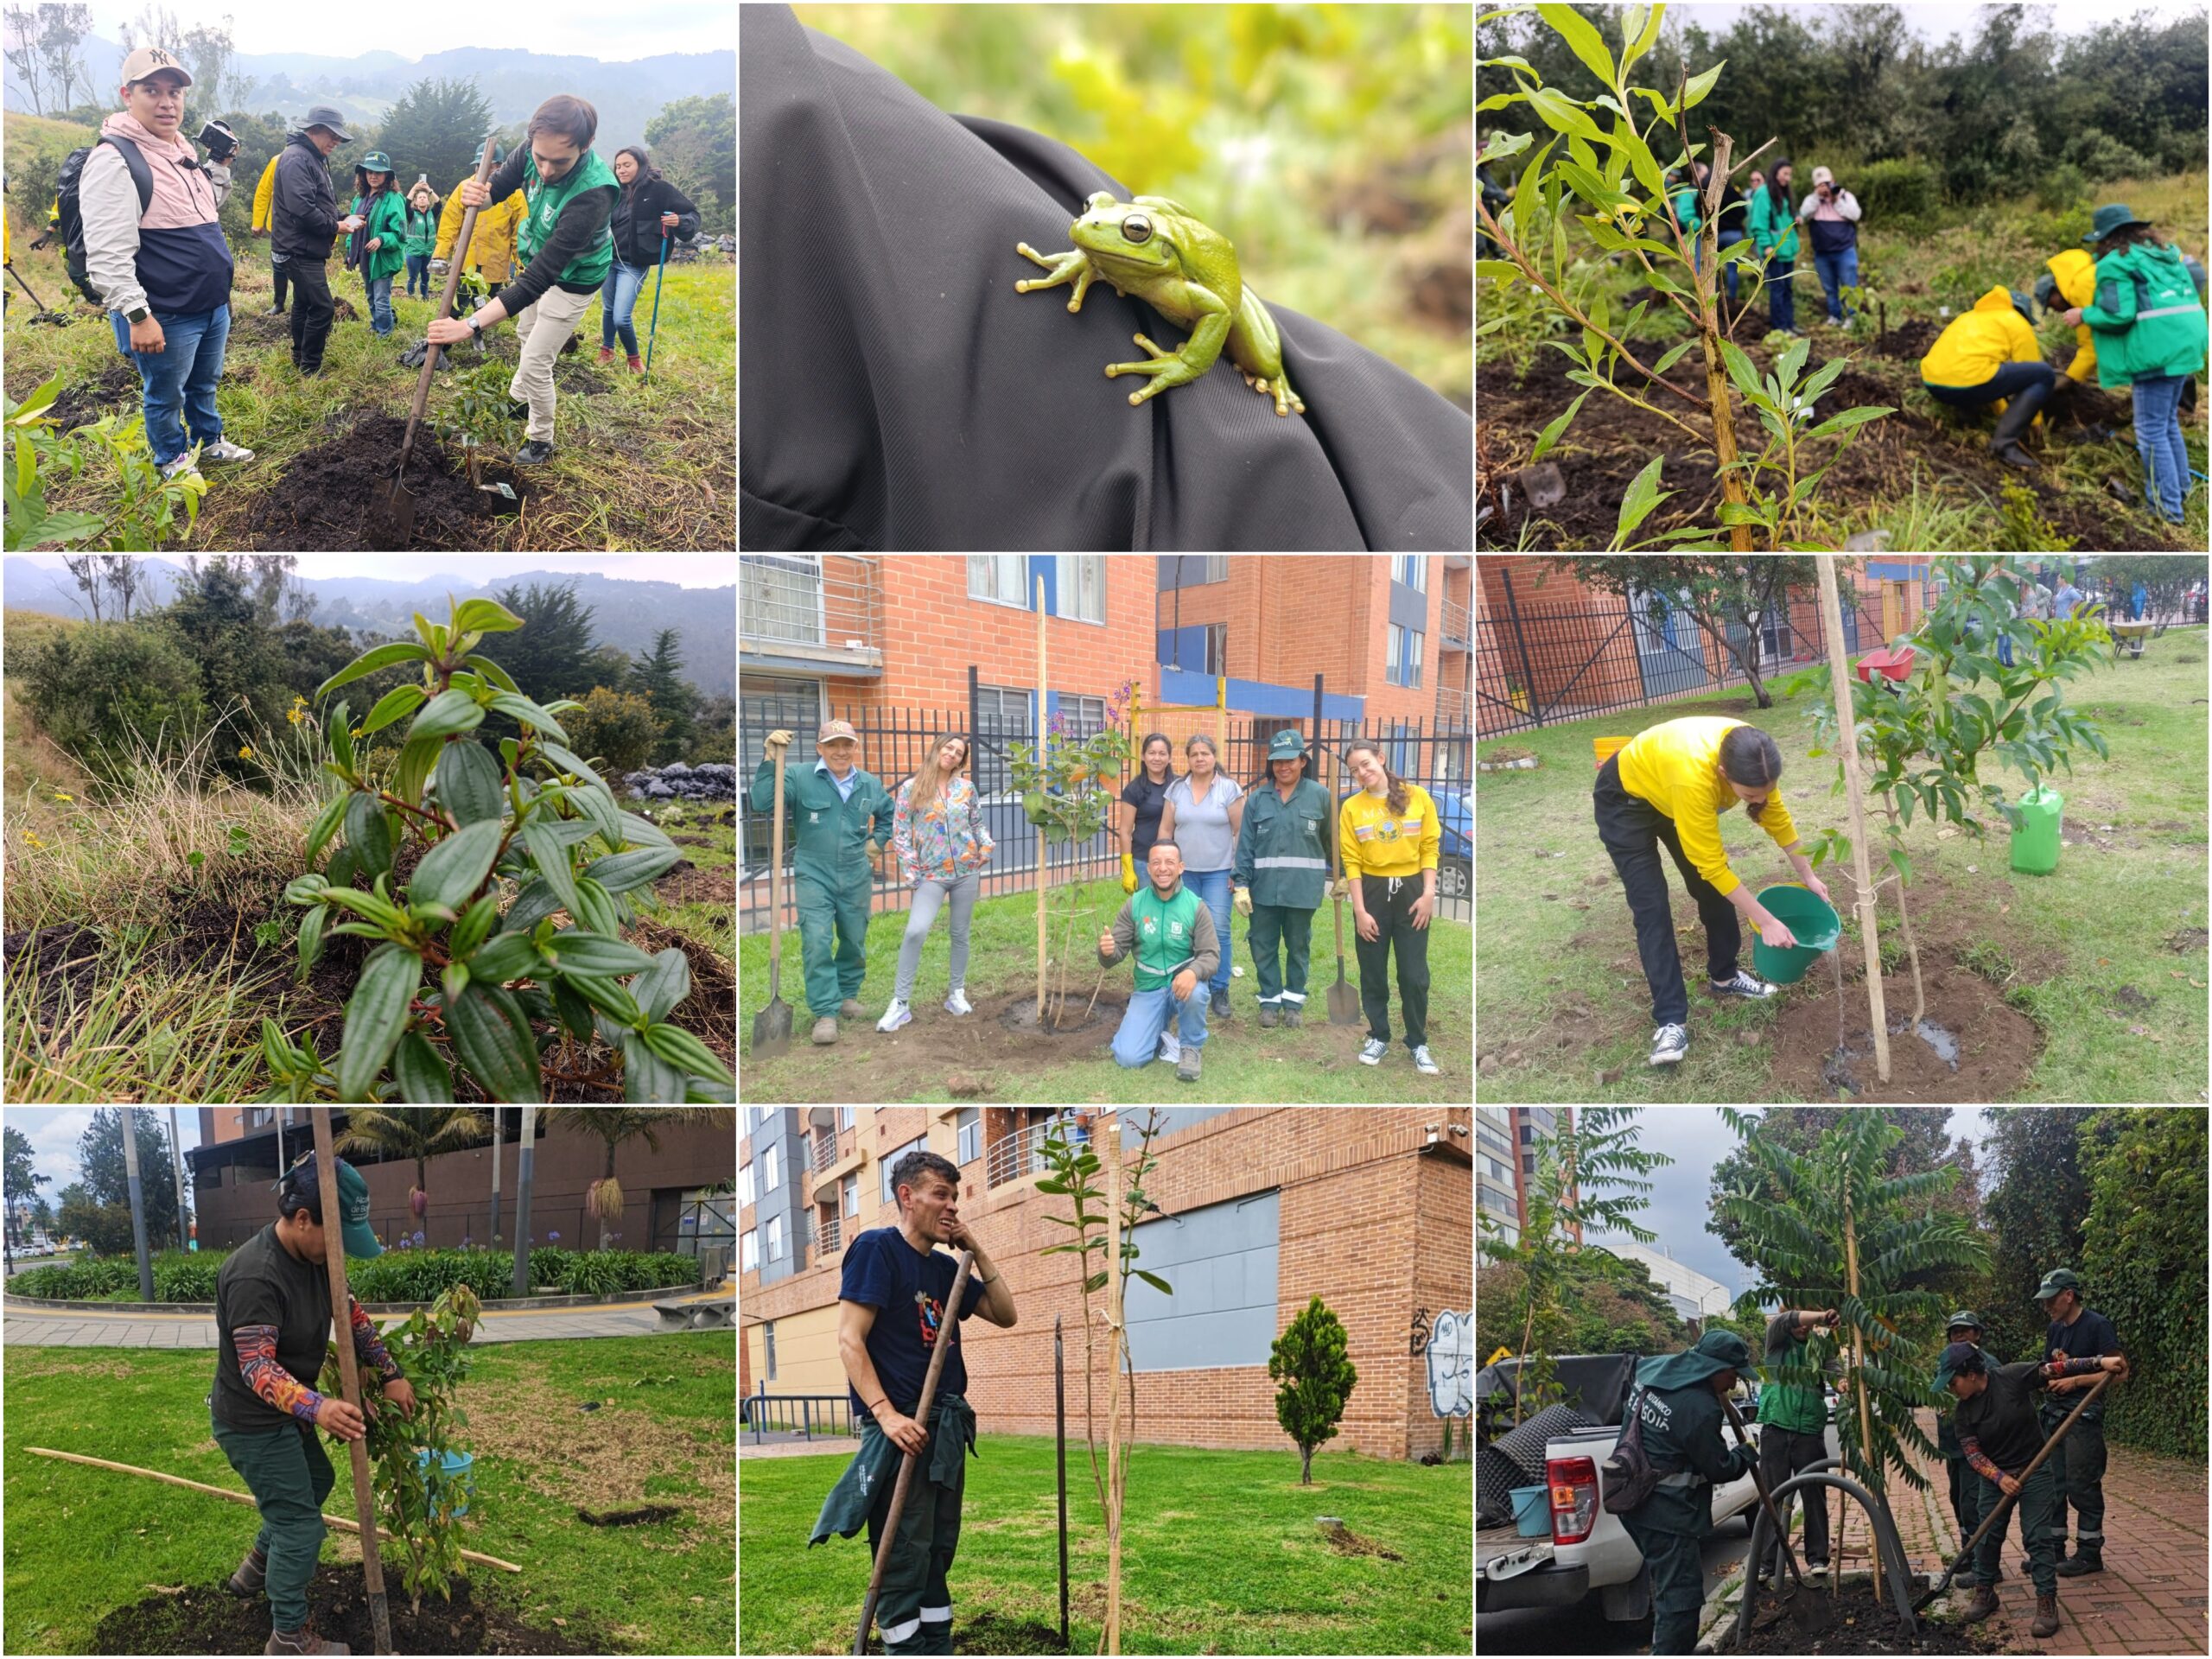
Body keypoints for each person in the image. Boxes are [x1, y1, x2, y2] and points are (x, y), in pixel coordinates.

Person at [813, 1148, 1014, 1656]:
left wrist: (977, 1249)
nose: (951, 1206)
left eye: (955, 1196)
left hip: (944, 1424)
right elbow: (849, 1341)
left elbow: (1006, 1314)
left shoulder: (948, 1270)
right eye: (940, 1195)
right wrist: (885, 1414)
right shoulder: (877, 1250)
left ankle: (937, 1644)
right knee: (903, 1551)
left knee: (938, 1547)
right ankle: (905, 1648)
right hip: (900, 1426)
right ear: (907, 1196)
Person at [213, 1153, 413, 1658]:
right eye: (339, 1236)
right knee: (301, 1529)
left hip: (285, 1415)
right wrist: (319, 1408)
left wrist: (391, 1375)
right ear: (303, 1219)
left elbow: (352, 1318)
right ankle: (288, 1638)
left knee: (315, 1485)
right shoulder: (255, 1276)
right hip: (252, 1422)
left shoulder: (320, 1261)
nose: (342, 1252)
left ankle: (258, 1565)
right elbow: (257, 1368)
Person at [1595, 717, 1827, 1068]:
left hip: (1669, 791)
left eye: (1765, 792)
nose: (1758, 800)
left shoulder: (1754, 755)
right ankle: (1670, 1021)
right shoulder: (1694, 778)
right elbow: (1712, 864)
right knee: (1652, 906)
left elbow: (1776, 817)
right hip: (1625, 799)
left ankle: (1726, 975)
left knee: (1713, 891)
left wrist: (1807, 874)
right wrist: (1766, 921)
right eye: (1750, 796)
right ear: (1722, 773)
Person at [78, 46, 252, 483]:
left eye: (174, 92)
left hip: (211, 304)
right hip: (166, 311)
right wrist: (138, 315)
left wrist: (220, 166)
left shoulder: (178, 149)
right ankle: (172, 459)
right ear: (127, 94)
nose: (166, 101)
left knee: (204, 383)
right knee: (165, 393)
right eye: (152, 90)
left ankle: (209, 441)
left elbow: (202, 207)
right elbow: (106, 254)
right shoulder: (115, 158)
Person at [425, 95, 620, 466]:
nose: (545, 170)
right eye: (540, 157)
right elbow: (496, 190)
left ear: (587, 145)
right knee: (524, 334)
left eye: (559, 161)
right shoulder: (530, 150)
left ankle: (541, 440)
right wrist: (477, 197)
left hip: (574, 279)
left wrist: (468, 325)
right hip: (534, 261)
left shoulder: (595, 192)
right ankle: (518, 400)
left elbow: (539, 281)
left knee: (535, 361)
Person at [1936, 1339, 2130, 1637]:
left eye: (1953, 1382)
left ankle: (2046, 1601)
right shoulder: (1963, 1412)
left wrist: (2100, 1362)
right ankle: (1985, 1591)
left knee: (2038, 1538)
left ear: (1971, 1373)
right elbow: (1973, 1454)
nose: (1951, 1389)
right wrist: (1999, 1478)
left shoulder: (2011, 1377)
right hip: (1996, 1477)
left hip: (2035, 1468)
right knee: (1986, 1537)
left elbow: (2058, 1368)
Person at [750, 720, 897, 1045]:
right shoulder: (799, 777)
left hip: (856, 871)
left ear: (855, 748)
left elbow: (890, 813)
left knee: (854, 937)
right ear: (820, 749)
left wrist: (877, 842)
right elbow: (762, 802)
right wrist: (769, 759)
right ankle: (826, 1011)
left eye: (847, 745)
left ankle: (846, 994)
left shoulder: (869, 784)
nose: (841, 752)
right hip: (814, 871)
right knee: (816, 938)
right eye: (833, 745)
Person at [1616, 1330, 1759, 1656]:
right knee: (1681, 1597)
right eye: (1734, 1373)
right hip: (1664, 1513)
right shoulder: (1700, 1408)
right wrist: (1746, 1453)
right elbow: (1720, 1468)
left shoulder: (1654, 1370)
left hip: (1630, 1496)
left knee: (1668, 1588)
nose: (1735, 1383)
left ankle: (1675, 1648)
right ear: (1715, 1367)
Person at [2064, 204, 2209, 524]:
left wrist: (2082, 314)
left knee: (2150, 430)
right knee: (2166, 422)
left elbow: (2119, 314)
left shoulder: (2116, 263)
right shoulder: (2163, 252)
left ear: (2105, 239)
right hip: (2186, 342)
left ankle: (2166, 509)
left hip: (2157, 350)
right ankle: (2179, 490)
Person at [878, 734, 994, 1033]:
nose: (953, 754)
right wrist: (911, 870)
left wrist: (986, 845)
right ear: (937, 749)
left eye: (959, 752)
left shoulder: (966, 789)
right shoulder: (911, 788)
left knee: (960, 933)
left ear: (961, 760)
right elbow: (900, 832)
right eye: (949, 748)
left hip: (967, 871)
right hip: (930, 874)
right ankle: (900, 1004)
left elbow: (977, 824)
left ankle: (956, 993)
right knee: (916, 931)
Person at [1340, 740, 1440, 1075]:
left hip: (1412, 890)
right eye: (1354, 769)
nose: (1362, 773)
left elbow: (1429, 847)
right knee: (1373, 969)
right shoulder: (1351, 807)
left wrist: (1428, 894)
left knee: (1414, 974)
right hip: (1371, 892)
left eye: (1366, 764)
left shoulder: (1418, 797)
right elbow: (1351, 860)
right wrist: (1359, 909)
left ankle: (1417, 1041)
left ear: (1381, 759)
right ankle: (1379, 1034)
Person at [1231, 730, 1335, 1029]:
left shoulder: (1320, 796)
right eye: (1277, 762)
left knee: (1298, 945)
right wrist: (1241, 885)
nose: (1283, 767)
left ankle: (1293, 1003)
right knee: (1262, 945)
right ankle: (1269, 1000)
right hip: (1263, 890)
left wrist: (1341, 876)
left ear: (1303, 760)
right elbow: (1245, 846)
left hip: (1303, 890)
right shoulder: (1257, 800)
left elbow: (1332, 844)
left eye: (1289, 760)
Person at [1096, 839, 1219, 1082]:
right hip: (1148, 989)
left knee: (1196, 993)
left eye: (1169, 862)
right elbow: (1115, 953)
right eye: (1156, 863)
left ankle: (1190, 1048)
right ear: (1149, 869)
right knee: (1129, 1058)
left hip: (1182, 985)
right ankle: (1156, 1028)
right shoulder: (1135, 904)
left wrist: (1193, 972)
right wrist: (1107, 952)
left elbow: (1211, 955)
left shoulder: (1196, 907)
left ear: (1181, 867)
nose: (1163, 868)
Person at [2033, 1268, 2125, 1580]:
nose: (2047, 1307)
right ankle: (2054, 1548)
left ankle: (2089, 1553)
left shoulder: (2097, 1326)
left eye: (2051, 1300)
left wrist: (2077, 1382)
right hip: (2054, 1414)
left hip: (2083, 1416)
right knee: (2053, 1484)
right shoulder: (2054, 1329)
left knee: (2081, 1484)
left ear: (2068, 1296)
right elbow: (2049, 1367)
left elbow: (2120, 1371)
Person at [1156, 734, 1244, 1020]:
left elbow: (1240, 831)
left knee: (1218, 929)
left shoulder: (1229, 789)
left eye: (1205, 753)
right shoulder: (1176, 790)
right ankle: (1187, 984)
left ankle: (1219, 990)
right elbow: (1166, 832)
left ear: (1214, 756)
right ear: (1188, 759)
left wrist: (1236, 868)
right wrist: (1164, 866)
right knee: (1184, 930)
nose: (1200, 759)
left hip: (1219, 873)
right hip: (1185, 873)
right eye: (1194, 754)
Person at [1919, 287, 2054, 469]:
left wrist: (2003, 411)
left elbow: (1990, 374)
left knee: (1975, 370)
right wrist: (2035, 422)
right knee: (2044, 374)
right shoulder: (2016, 322)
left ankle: (1967, 419)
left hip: (1934, 383)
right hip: (1970, 381)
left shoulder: (1969, 317)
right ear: (2022, 313)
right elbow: (2030, 368)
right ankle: (2004, 445)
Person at [1753, 1306, 1838, 1589]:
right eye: (1798, 1319)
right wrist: (1821, 1315)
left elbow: (1833, 1367)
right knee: (1772, 1498)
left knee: (1814, 1494)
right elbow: (1786, 1320)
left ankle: (1818, 1558)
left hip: (1809, 1429)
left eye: (1808, 1322)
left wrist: (1844, 1382)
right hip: (1776, 1427)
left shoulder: (1820, 1340)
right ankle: (1767, 1562)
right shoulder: (1776, 1340)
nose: (1802, 1325)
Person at [271, 106, 359, 378]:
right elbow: (302, 209)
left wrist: (342, 216)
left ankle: (300, 357)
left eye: (339, 138)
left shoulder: (312, 157)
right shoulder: (297, 159)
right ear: (313, 130)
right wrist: (337, 226)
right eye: (332, 136)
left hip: (303, 247)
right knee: (322, 308)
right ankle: (310, 367)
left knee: (303, 303)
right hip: (298, 250)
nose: (335, 142)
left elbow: (318, 202)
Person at [602, 144, 697, 373]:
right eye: (618, 166)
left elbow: (692, 215)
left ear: (641, 165)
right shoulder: (615, 190)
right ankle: (607, 350)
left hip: (634, 265)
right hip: (606, 260)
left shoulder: (660, 190)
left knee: (621, 318)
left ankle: (634, 359)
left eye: (627, 165)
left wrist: (680, 222)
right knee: (608, 309)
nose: (621, 170)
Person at [1931, 1312, 2005, 1580]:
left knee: (1974, 1505)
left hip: (1976, 1449)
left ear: (1977, 1334)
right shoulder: (1945, 1362)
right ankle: (1968, 1553)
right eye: (1954, 1331)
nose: (1958, 1335)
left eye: (1964, 1330)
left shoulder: (1988, 1365)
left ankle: (1985, 1566)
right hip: (1954, 1448)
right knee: (1959, 1501)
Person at [345, 151, 406, 339]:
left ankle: (385, 333)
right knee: (371, 296)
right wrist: (350, 252)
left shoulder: (393, 199)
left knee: (381, 299)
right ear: (363, 174)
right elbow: (351, 227)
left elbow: (400, 234)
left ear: (387, 176)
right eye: (369, 171)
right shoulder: (359, 199)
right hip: (364, 256)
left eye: (378, 173)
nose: (373, 176)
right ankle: (376, 324)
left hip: (382, 259)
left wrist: (381, 239)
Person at [1113, 732, 1175, 896]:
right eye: (1152, 753)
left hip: (1174, 860)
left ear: (1169, 758)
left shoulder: (1178, 786)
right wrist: (1127, 868)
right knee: (1148, 914)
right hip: (1143, 861)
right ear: (1143, 756)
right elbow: (1125, 832)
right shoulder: (1134, 789)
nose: (1157, 758)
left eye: (1162, 753)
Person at [1798, 165, 1861, 327]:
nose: (1825, 188)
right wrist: (1817, 197)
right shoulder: (1812, 201)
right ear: (1815, 186)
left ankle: (1852, 317)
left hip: (1844, 250)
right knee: (1829, 288)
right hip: (1822, 253)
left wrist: (1836, 200)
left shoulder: (1845, 196)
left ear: (1833, 181)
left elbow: (1855, 215)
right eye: (1820, 185)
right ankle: (1835, 315)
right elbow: (1803, 214)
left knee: (1849, 286)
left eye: (1827, 183)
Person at [1748, 160, 1801, 337]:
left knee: (1787, 288)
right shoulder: (1764, 193)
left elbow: (1784, 219)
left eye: (1789, 174)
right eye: (1785, 174)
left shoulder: (1782, 192)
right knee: (1777, 289)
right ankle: (1780, 328)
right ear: (1776, 172)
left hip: (1787, 250)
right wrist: (1767, 246)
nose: (1788, 178)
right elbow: (1759, 223)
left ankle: (1789, 324)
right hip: (1775, 251)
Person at [250, 149, 289, 314]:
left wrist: (333, 235)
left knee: (304, 267)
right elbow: (264, 191)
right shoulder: (277, 160)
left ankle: (305, 303)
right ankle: (279, 303)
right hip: (279, 225)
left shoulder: (317, 162)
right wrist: (258, 222)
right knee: (278, 265)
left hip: (305, 227)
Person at [400, 181, 439, 301]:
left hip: (428, 253)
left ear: (428, 201)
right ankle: (411, 297)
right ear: (416, 202)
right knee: (413, 277)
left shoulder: (432, 213)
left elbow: (439, 204)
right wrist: (414, 188)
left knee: (426, 278)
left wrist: (429, 190)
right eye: (420, 198)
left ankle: (424, 297)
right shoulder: (412, 215)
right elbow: (406, 204)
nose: (422, 199)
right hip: (414, 252)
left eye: (424, 197)